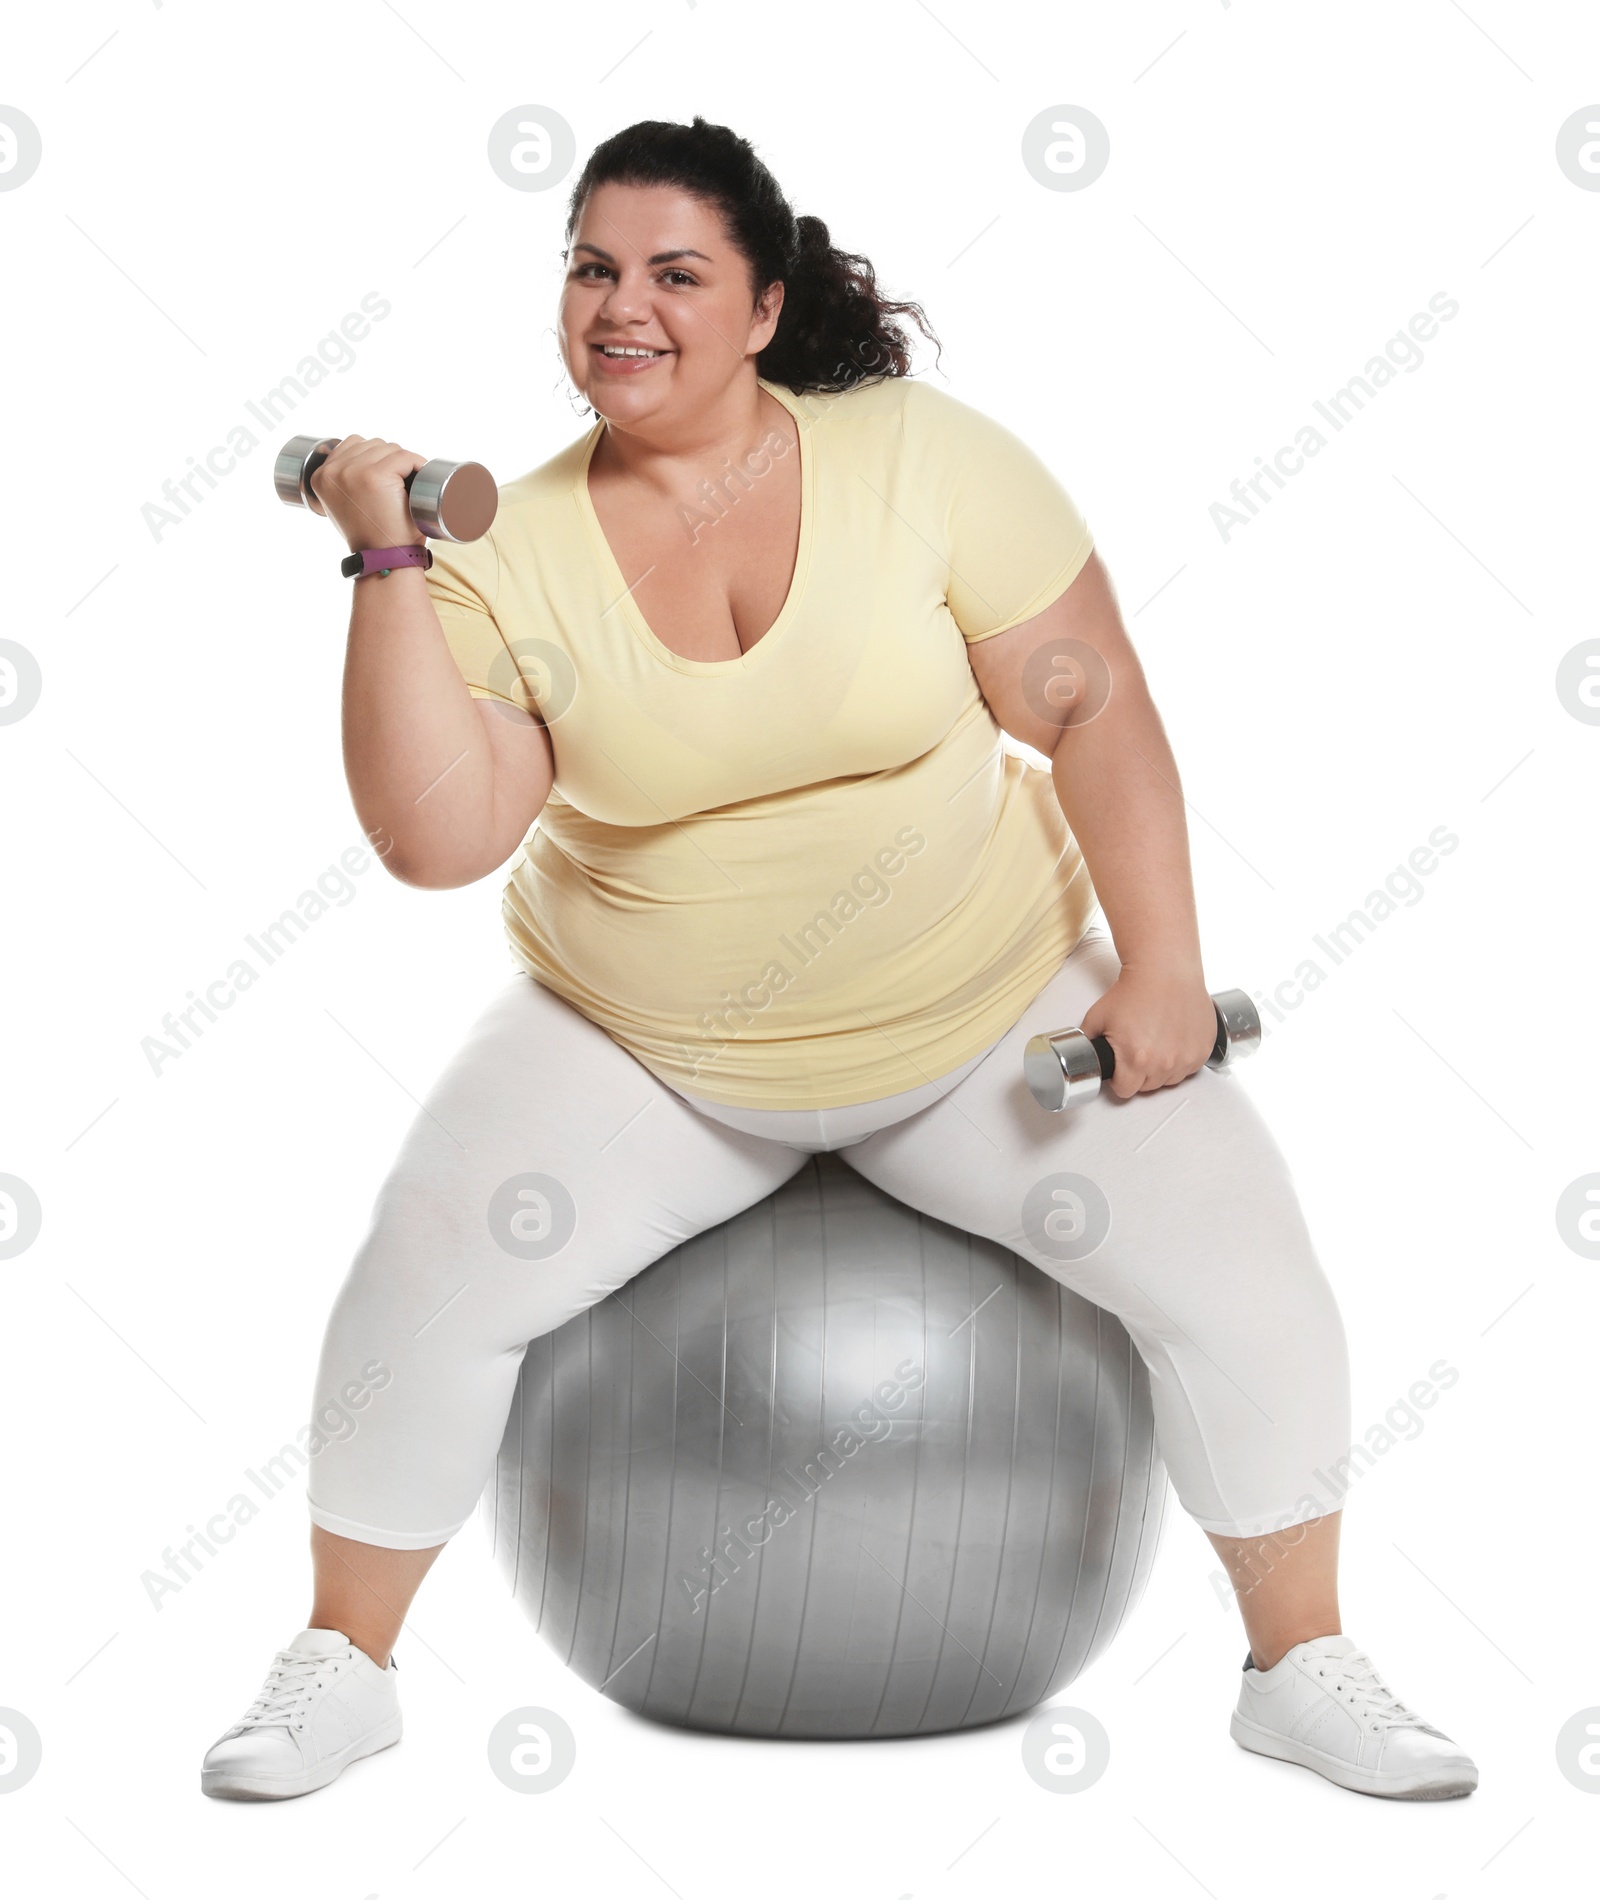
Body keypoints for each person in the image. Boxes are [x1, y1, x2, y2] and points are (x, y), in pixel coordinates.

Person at [200, 116, 1476, 1803]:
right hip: (647, 1046)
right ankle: (342, 1671)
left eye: (675, 273)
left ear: (762, 304)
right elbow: (442, 840)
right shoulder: (497, 550)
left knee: (1246, 1269)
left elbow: (1091, 712)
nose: (621, 307)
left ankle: (1297, 1665)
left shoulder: (923, 462)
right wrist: (384, 559)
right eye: (591, 267)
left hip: (978, 1012)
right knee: (426, 1274)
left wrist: (1161, 965)